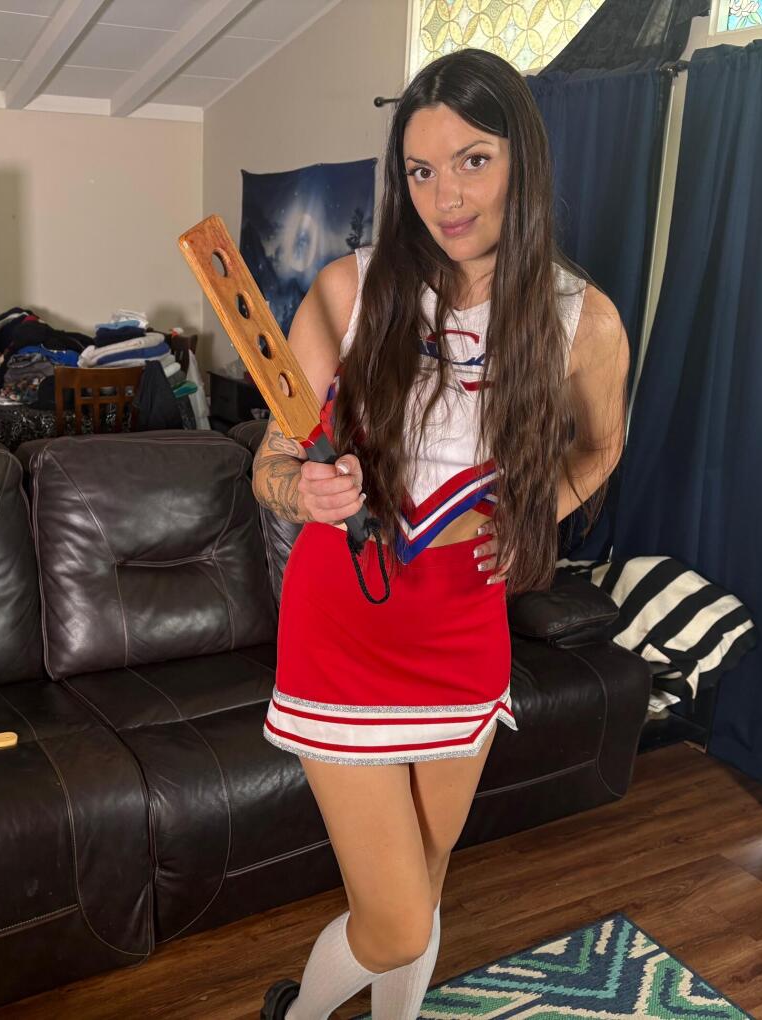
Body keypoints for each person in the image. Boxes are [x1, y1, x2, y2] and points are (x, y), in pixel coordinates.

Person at [253, 47, 630, 1020]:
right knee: (394, 924)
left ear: (521, 161)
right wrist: (305, 490)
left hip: (464, 630)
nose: (444, 197)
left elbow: (600, 448)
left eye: (472, 161)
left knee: (421, 891)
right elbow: (269, 463)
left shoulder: (581, 320)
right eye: (420, 171)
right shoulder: (347, 290)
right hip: (343, 627)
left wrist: (534, 514)